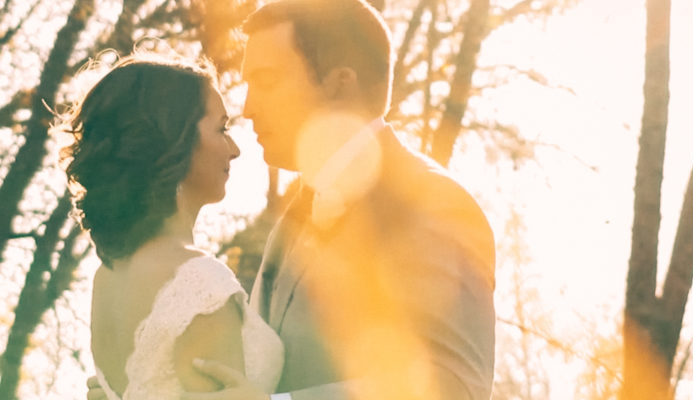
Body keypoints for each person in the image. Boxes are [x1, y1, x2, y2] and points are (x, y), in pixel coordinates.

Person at [181, 0, 497, 399]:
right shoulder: (293, 216)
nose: (247, 108)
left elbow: (453, 387)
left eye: (268, 81)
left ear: (340, 82)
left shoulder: (433, 202)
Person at [64, 53, 282, 400]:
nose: (235, 149)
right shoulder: (199, 283)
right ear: (176, 140)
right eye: (221, 129)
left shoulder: (108, 277)